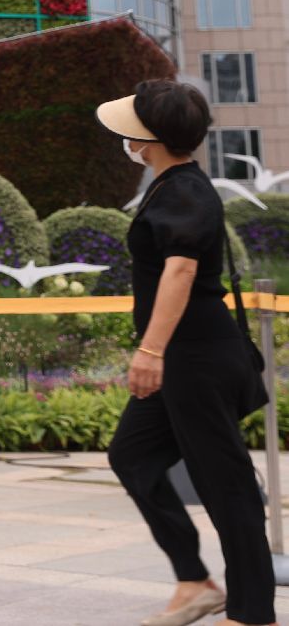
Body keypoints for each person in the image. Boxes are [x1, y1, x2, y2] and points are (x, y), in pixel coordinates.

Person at [99, 79, 278, 626]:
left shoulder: (184, 192)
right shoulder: (171, 186)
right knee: (132, 457)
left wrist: (151, 350)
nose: (126, 137)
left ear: (149, 138)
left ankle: (253, 613)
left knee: (225, 484)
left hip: (196, 357)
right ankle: (195, 582)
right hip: (184, 357)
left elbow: (180, 270)